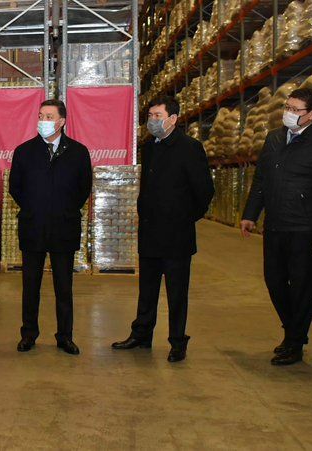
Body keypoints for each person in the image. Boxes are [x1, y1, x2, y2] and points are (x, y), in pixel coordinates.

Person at [241, 88, 312, 366]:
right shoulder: (274, 138)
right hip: (275, 224)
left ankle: (294, 342)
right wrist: (250, 214)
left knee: (301, 288)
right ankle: (293, 331)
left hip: (306, 229)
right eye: (288, 107)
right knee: (273, 281)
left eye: (296, 110)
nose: (288, 113)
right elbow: (261, 179)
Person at [112, 96, 214, 363]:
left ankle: (177, 341)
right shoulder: (149, 147)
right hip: (150, 231)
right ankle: (141, 334)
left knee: (176, 292)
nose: (152, 121)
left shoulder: (189, 148)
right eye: (150, 116)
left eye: (158, 116)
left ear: (173, 119)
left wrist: (184, 218)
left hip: (176, 235)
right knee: (147, 289)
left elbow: (204, 191)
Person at [9, 99, 92, 355]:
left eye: (49, 116)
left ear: (61, 121)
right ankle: (28, 334)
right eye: (41, 116)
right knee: (30, 286)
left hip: (64, 227)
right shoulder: (24, 152)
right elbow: (15, 188)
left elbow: (84, 188)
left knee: (63, 287)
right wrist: (34, 208)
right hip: (33, 226)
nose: (43, 121)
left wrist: (65, 210)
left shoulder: (78, 152)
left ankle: (65, 336)